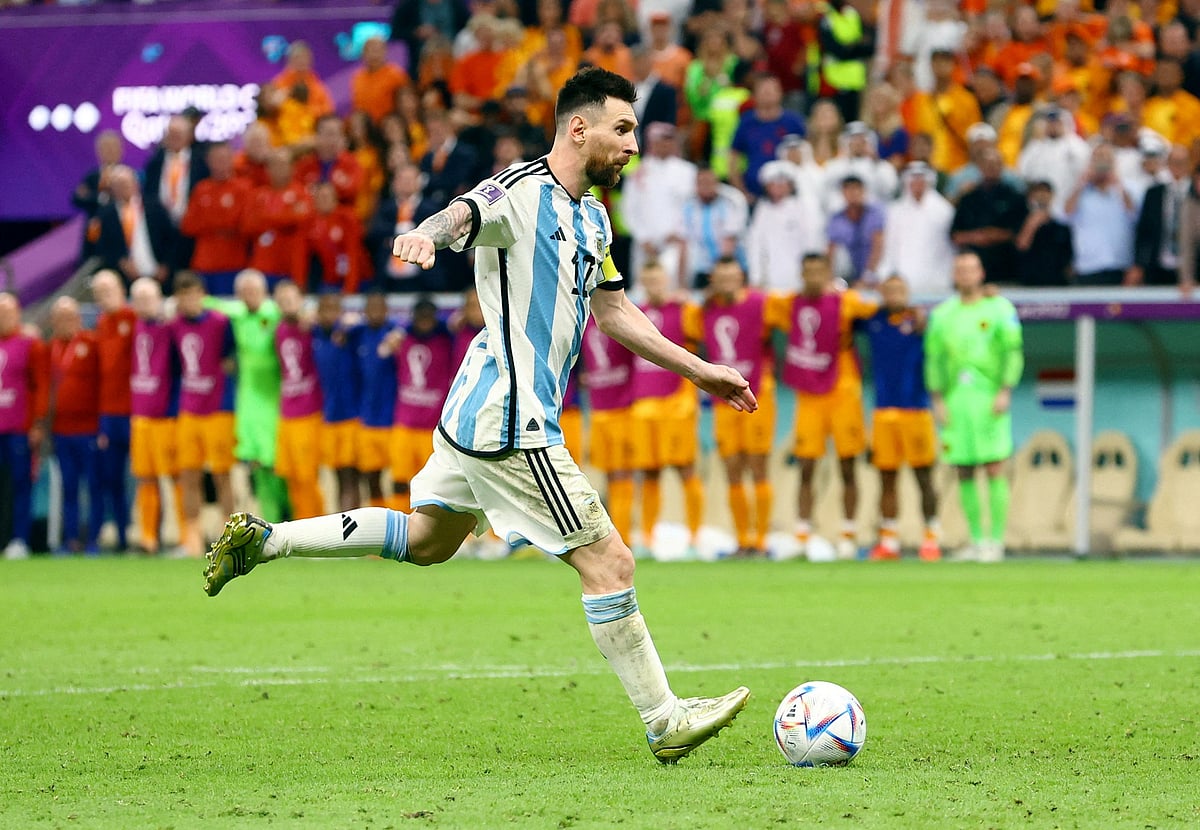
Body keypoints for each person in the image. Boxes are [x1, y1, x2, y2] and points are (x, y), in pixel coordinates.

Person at [203, 68, 755, 763]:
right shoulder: (521, 191)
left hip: (473, 409)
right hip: (511, 419)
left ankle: (267, 541)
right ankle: (663, 718)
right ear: (578, 128)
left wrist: (700, 369)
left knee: (431, 540)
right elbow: (462, 212)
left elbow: (612, 309)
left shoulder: (592, 215)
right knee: (610, 563)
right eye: (624, 129)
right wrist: (426, 236)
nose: (634, 145)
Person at [771, 252, 875, 561]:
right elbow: (755, 306)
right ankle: (802, 534)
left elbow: (880, 308)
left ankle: (848, 534)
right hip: (809, 395)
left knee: (848, 465)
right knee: (806, 466)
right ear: (802, 274)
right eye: (808, 272)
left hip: (844, 391)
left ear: (828, 273)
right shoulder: (790, 303)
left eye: (820, 271)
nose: (814, 277)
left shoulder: (847, 301)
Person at [924, 251, 1024, 562]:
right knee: (964, 469)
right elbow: (935, 358)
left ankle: (996, 540)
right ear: (954, 275)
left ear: (981, 273)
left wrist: (1006, 389)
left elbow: (1013, 351)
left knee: (994, 466)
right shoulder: (942, 314)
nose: (966, 275)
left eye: (971, 269)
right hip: (956, 398)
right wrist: (938, 398)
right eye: (960, 270)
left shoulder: (1000, 308)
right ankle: (977, 540)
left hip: (989, 394)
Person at [684, 256, 774, 557]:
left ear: (741, 278)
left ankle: (760, 541)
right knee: (732, 468)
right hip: (723, 399)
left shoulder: (761, 303)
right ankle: (742, 540)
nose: (727, 282)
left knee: (758, 467)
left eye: (732, 276)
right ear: (714, 280)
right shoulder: (704, 311)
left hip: (758, 393)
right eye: (721, 277)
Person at [862, 276, 941, 562]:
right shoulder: (872, 320)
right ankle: (889, 541)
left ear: (908, 293)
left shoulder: (920, 321)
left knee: (923, 476)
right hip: (884, 410)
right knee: (886, 478)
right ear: (881, 293)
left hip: (915, 410)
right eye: (889, 290)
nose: (895, 295)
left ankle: (931, 538)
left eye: (900, 290)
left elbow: (938, 322)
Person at [630, 262, 704, 552]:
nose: (654, 285)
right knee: (649, 472)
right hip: (644, 403)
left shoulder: (686, 311)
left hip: (677, 403)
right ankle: (648, 538)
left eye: (658, 280)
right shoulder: (635, 314)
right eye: (648, 280)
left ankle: (695, 538)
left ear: (668, 281)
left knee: (686, 469)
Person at [209, 270, 287, 522]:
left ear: (264, 292)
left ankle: (292, 518)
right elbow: (205, 302)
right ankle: (274, 521)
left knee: (280, 467)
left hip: (276, 400)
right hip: (249, 402)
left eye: (253, 291)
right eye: (244, 293)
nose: (249, 297)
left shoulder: (276, 314)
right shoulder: (237, 315)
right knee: (257, 466)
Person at [170, 272, 236, 557]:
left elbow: (231, 362)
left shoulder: (221, 323)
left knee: (222, 475)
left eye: (194, 293)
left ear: (202, 294)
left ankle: (230, 536)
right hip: (189, 409)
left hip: (218, 410)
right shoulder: (174, 327)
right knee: (189, 476)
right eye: (183, 295)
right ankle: (192, 541)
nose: (190, 300)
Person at [378, 298, 455, 514]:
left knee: (435, 484)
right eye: (420, 318)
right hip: (404, 423)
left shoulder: (446, 341)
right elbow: (381, 353)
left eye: (428, 318)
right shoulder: (402, 340)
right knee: (400, 480)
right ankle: (399, 520)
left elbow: (460, 324)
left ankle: (432, 527)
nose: (424, 323)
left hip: (433, 428)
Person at [128, 278, 181, 555]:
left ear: (160, 298)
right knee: (145, 478)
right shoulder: (134, 326)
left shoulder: (171, 329)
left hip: (165, 417)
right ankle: (148, 538)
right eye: (139, 298)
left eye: (149, 297)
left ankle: (186, 537)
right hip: (141, 416)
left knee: (175, 477)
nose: (144, 303)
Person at [47, 297, 102, 554]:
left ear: (79, 318)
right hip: (61, 430)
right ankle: (70, 540)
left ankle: (93, 540)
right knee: (68, 487)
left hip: (89, 428)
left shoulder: (92, 344)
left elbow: (104, 383)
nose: (64, 323)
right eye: (59, 318)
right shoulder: (50, 347)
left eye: (69, 317)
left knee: (92, 486)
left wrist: (102, 425)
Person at [0, 293, 48, 560]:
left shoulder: (30, 344)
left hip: (18, 427)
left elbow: (40, 385)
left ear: (18, 313)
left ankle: (19, 539)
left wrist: (37, 423)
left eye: (8, 312)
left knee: (20, 484)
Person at [580, 319, 637, 543]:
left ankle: (626, 535)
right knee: (611, 474)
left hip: (625, 408)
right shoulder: (582, 317)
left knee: (624, 472)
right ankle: (618, 533)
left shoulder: (618, 314)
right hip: (598, 408)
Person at [92, 271, 137, 552]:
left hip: (136, 411)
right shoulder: (101, 324)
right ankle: (121, 538)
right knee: (112, 479)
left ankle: (147, 536)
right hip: (109, 414)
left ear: (121, 289)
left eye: (108, 289)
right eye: (98, 292)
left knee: (146, 477)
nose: (103, 296)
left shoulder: (133, 318)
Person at [272, 281, 325, 520]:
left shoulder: (313, 327)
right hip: (287, 414)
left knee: (308, 476)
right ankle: (301, 527)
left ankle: (320, 529)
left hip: (309, 412)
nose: (287, 305)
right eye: (282, 301)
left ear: (301, 299)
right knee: (291, 476)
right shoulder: (278, 331)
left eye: (291, 299)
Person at [180, 143, 252, 296]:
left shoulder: (244, 188)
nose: (221, 163)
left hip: (233, 263)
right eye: (216, 159)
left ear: (232, 159)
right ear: (208, 161)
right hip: (203, 264)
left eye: (225, 158)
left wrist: (210, 221)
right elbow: (188, 226)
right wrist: (223, 224)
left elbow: (245, 225)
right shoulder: (201, 188)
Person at [311, 294, 361, 513]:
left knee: (351, 477)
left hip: (352, 417)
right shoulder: (314, 336)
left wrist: (352, 324)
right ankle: (344, 529)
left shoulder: (352, 336)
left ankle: (353, 532)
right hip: (328, 418)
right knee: (338, 477)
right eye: (324, 309)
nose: (329, 314)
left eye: (334, 309)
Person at [950, 148, 1028, 284]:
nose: (991, 167)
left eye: (995, 164)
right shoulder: (968, 198)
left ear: (1002, 166)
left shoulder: (1015, 197)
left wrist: (992, 235)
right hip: (972, 273)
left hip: (1006, 270)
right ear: (979, 167)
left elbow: (1019, 234)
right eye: (987, 164)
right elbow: (955, 235)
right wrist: (977, 237)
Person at [1064, 143, 1137, 286]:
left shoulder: (1129, 188)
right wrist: (1081, 183)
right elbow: (1066, 214)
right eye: (1098, 159)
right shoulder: (1080, 192)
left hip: (1121, 265)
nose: (1102, 164)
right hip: (1088, 266)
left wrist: (1118, 184)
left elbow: (1134, 214)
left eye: (1107, 159)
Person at [351, 292, 398, 508]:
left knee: (400, 478)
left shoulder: (398, 337)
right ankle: (383, 523)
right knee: (371, 478)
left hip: (394, 421)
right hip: (367, 420)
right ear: (364, 312)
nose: (375, 312)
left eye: (380, 308)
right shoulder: (357, 336)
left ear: (387, 311)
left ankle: (405, 520)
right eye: (371, 308)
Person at [745, 161, 821, 292]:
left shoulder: (804, 207)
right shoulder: (762, 209)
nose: (778, 187)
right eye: (774, 183)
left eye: (783, 183)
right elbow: (756, 246)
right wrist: (756, 278)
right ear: (766, 186)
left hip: (800, 278)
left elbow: (811, 242)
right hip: (770, 280)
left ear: (791, 185)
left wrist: (812, 276)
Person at [880, 162, 955, 296]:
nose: (917, 183)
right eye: (913, 179)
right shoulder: (895, 211)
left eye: (921, 180)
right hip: (903, 281)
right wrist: (884, 273)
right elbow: (889, 245)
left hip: (939, 280)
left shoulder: (944, 210)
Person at [729, 74, 806, 201]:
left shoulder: (794, 122)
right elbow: (733, 158)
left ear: (780, 93)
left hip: (789, 195)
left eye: (771, 90)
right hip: (754, 193)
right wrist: (741, 191)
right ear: (754, 95)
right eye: (763, 90)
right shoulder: (746, 122)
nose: (768, 93)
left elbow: (807, 153)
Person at [94, 166, 174, 287]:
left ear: (136, 184)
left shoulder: (154, 207)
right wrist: (121, 262)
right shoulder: (106, 215)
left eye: (126, 183)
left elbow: (171, 238)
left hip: (160, 275)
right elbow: (103, 246)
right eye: (118, 185)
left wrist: (166, 265)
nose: (123, 188)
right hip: (126, 279)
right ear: (112, 189)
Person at [243, 150, 313, 288]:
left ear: (292, 168)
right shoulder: (257, 194)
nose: (278, 169)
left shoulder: (301, 192)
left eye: (283, 164)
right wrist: (286, 219)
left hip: (291, 266)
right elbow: (246, 226)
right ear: (267, 169)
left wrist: (265, 219)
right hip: (263, 265)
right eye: (274, 165)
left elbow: (303, 219)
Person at [294, 116, 366, 209]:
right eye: (329, 134)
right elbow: (297, 194)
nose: (334, 139)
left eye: (338, 134)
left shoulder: (353, 164)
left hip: (342, 218)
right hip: (310, 218)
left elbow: (352, 189)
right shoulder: (303, 165)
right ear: (317, 136)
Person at [826, 175, 886, 286]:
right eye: (848, 189)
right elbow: (831, 251)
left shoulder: (874, 214)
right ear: (843, 193)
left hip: (875, 269)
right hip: (849, 271)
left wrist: (868, 275)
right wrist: (829, 278)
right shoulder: (837, 219)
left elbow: (878, 245)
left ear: (863, 191)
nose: (853, 193)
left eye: (856, 189)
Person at [1014, 181, 1073, 287]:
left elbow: (1068, 259)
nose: (1042, 196)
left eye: (1045, 192)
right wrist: (1032, 224)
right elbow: (1021, 246)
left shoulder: (1061, 226)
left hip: (1057, 283)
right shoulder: (1021, 221)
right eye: (1038, 192)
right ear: (1030, 197)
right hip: (1030, 283)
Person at [351, 37, 411, 124]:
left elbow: (408, 103)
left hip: (390, 126)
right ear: (363, 54)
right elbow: (357, 107)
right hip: (367, 128)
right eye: (369, 51)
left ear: (385, 52)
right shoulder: (357, 78)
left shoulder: (396, 75)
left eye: (377, 50)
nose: (374, 55)